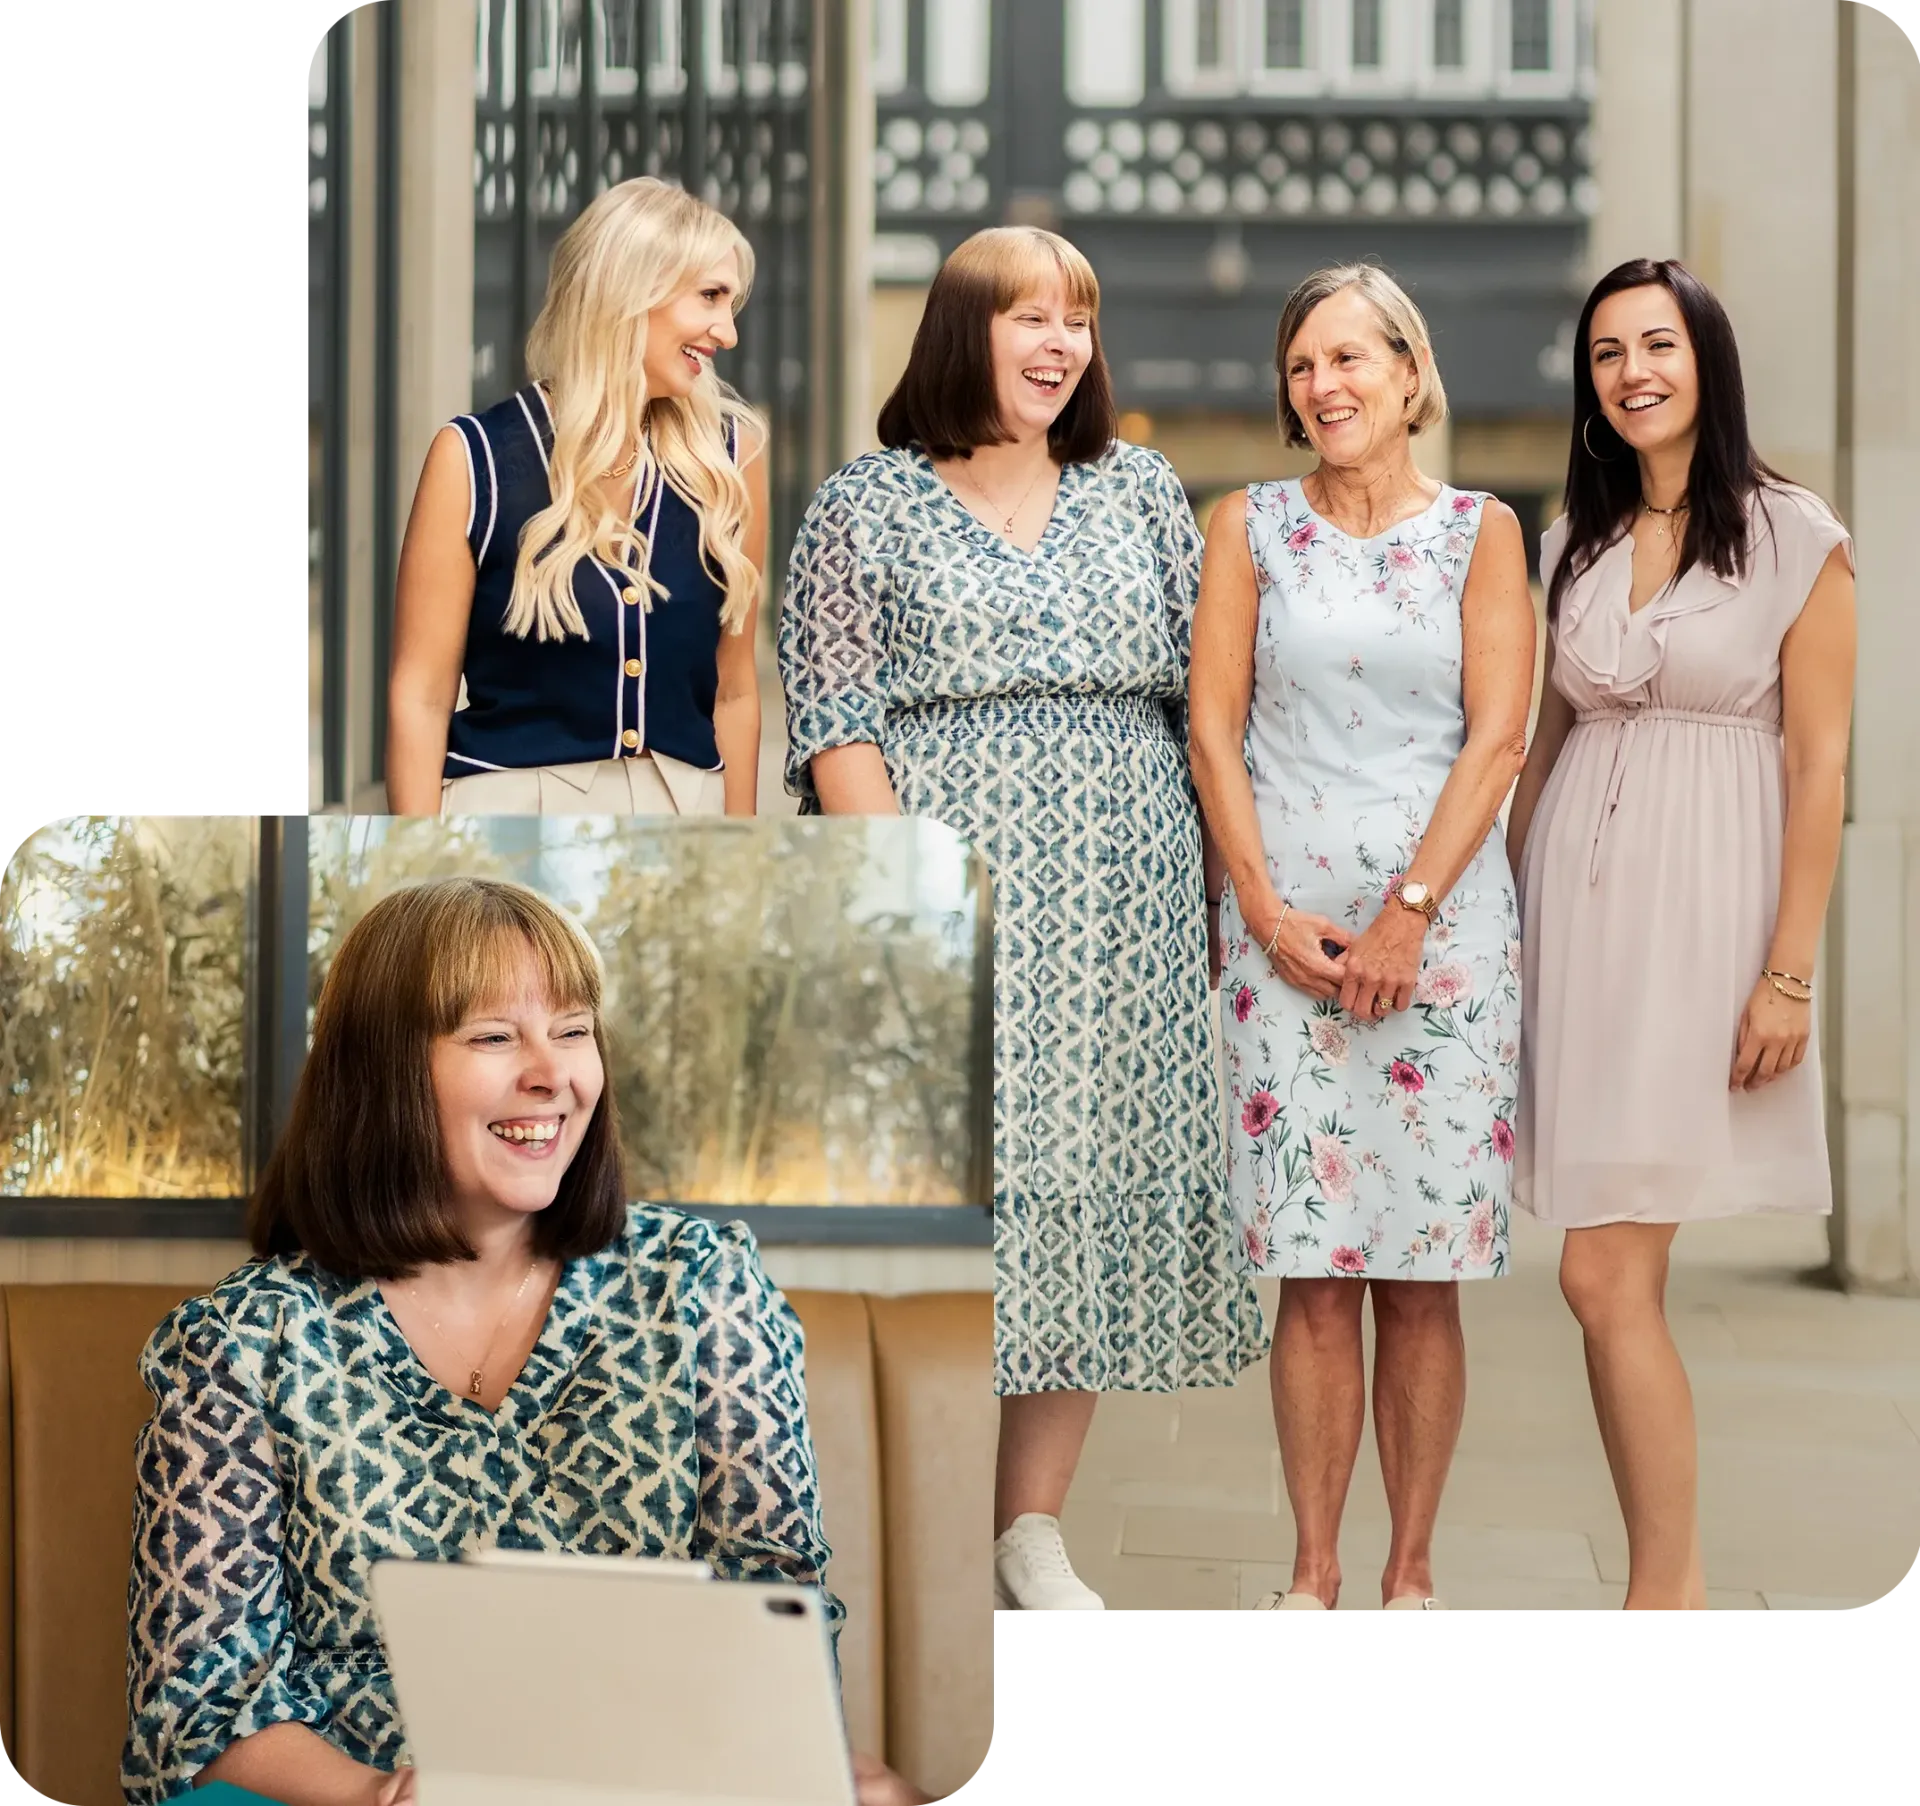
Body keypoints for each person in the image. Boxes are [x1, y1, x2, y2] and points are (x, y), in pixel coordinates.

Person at [122, 877, 933, 1806]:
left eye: (575, 1029)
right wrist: (380, 1797)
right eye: (495, 1036)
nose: (553, 1073)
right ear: (382, 1070)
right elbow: (196, 1709)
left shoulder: (701, 1288)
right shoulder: (241, 1343)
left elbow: (780, 1622)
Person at [777, 226, 1262, 1616]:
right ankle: (905, 1505)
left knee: (1083, 1187)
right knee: (940, 1194)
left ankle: (1028, 1527)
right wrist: (905, 908)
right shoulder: (865, 504)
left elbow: (1206, 710)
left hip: (1123, 901)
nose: (1060, 344)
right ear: (960, 333)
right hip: (943, 888)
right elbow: (835, 719)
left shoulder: (1143, 491)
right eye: (1028, 318)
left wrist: (1231, 907)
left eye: (1079, 320)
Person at [1506, 259, 1856, 1613]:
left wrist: (1789, 968)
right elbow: (1540, 748)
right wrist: (1506, 921)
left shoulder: (1793, 534)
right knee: (1603, 1272)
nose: (1633, 370)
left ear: (1706, 359)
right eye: (1607, 352)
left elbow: (1821, 766)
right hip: (1580, 922)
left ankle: (1670, 1597)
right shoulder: (1570, 542)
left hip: (1706, 922)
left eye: (1658, 344)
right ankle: (1667, 1590)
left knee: (1603, 1269)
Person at [1188, 263, 1535, 1616]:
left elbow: (1499, 734)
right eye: (1301, 366)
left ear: (1408, 372)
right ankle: (1313, 1571)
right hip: (1281, 946)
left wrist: (1410, 911)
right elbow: (1214, 729)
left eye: (1348, 360)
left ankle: (1410, 1573)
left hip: (1441, 941)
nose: (1322, 386)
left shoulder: (1479, 530)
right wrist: (1264, 908)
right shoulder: (1250, 527)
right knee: (1315, 1273)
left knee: (1422, 1271)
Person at [386, 178, 767, 819]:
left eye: (731, 303)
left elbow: (733, 693)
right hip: (503, 821)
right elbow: (421, 696)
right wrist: (419, 872)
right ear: (628, 289)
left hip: (685, 823)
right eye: (709, 297)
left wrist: (744, 852)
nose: (726, 332)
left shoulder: (730, 461)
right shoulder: (472, 458)